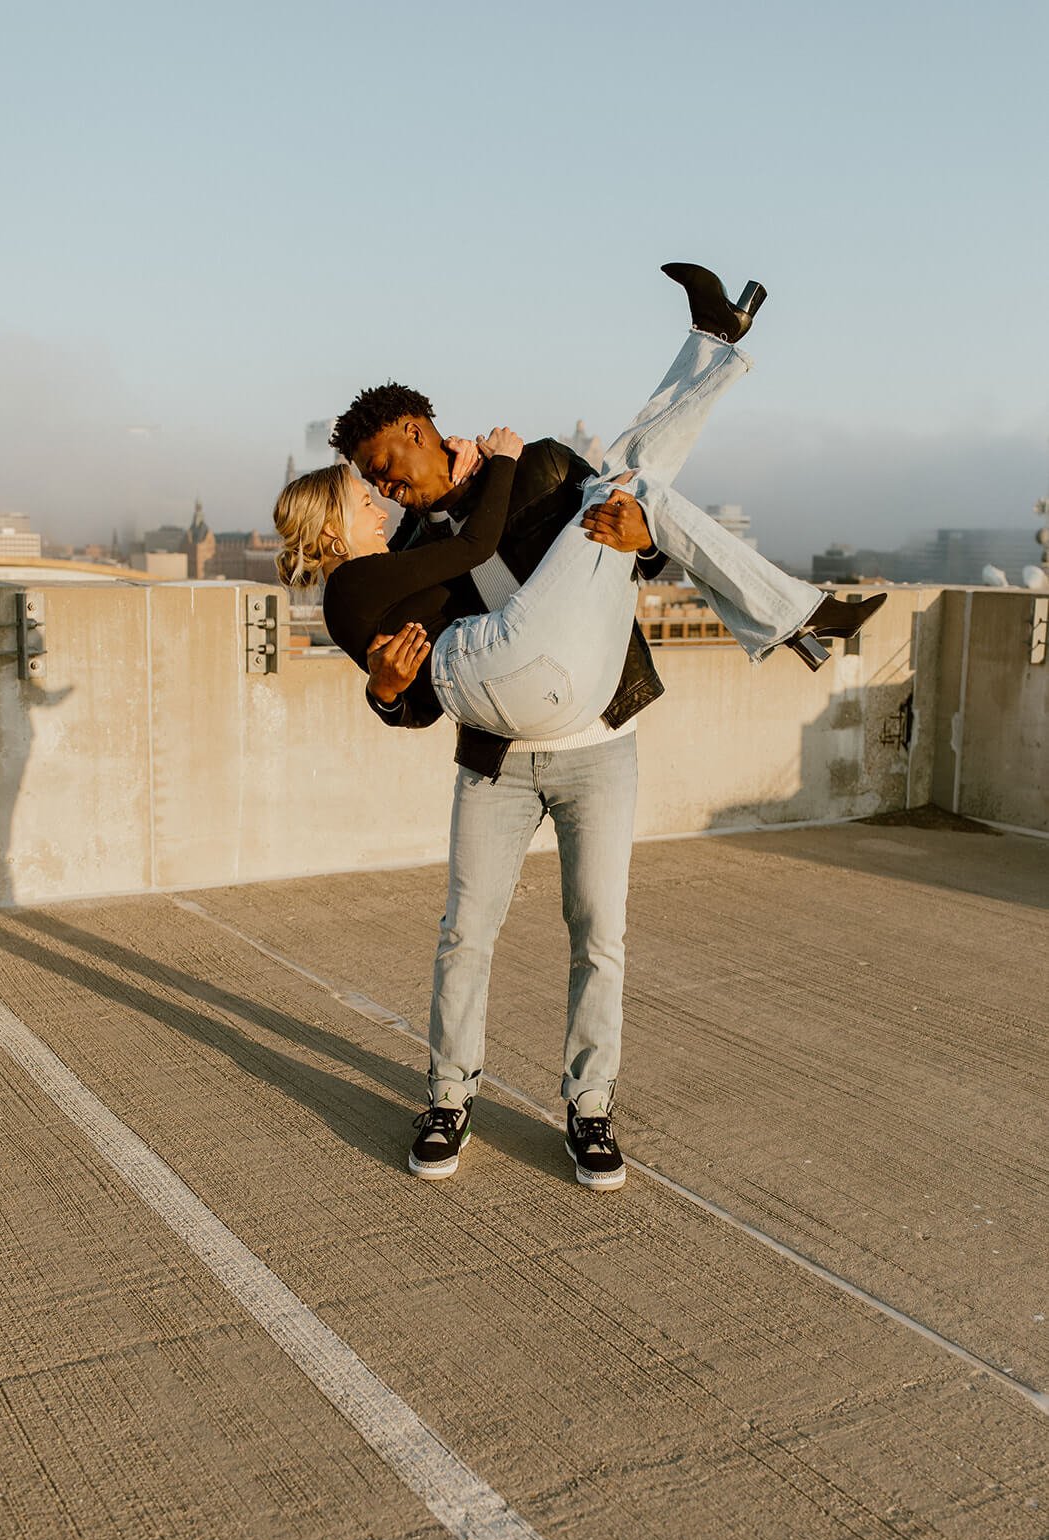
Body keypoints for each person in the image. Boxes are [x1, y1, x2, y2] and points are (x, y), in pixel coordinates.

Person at [275, 264, 884, 1188]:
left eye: (382, 466)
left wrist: (640, 539)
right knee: (463, 932)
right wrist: (387, 694)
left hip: (597, 742)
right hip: (496, 758)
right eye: (366, 482)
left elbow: (624, 574)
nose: (381, 486)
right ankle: (448, 1098)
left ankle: (589, 1110)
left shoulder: (547, 466)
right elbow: (423, 686)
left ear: (414, 431)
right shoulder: (405, 551)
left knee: (600, 932)